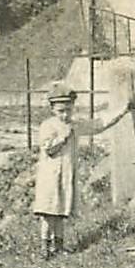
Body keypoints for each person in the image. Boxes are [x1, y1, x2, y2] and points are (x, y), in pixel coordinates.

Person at [32, 86, 79, 256]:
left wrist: (122, 111)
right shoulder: (48, 125)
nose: (65, 115)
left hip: (65, 175)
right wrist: (63, 137)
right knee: (48, 213)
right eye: (60, 111)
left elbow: (98, 125)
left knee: (60, 212)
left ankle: (58, 246)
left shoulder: (73, 124)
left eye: (68, 110)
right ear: (52, 109)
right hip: (50, 177)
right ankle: (44, 246)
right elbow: (48, 149)